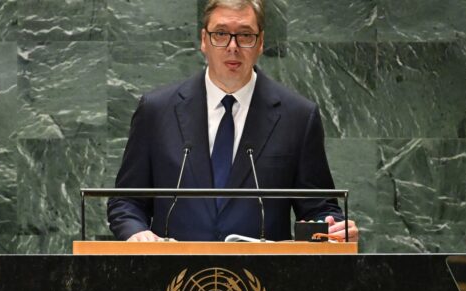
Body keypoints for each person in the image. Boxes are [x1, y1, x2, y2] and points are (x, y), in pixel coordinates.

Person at [107, 0, 359, 242]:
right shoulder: (157, 110)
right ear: (204, 40)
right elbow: (126, 201)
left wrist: (336, 230)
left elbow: (318, 209)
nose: (232, 46)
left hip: (265, 280)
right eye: (221, 34)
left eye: (245, 35)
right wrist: (136, 233)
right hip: (173, 279)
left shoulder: (298, 117)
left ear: (260, 43)